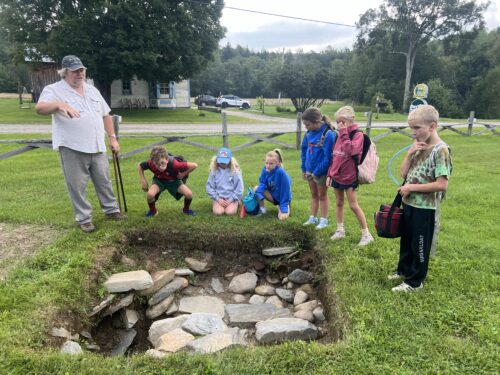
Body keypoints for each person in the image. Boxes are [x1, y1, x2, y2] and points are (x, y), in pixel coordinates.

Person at [35, 55, 125, 233]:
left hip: (97, 144)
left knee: (104, 180)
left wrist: (112, 138)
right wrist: (59, 105)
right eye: (75, 71)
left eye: (81, 70)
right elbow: (40, 108)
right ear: (65, 72)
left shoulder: (92, 90)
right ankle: (84, 218)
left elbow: (105, 115)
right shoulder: (53, 90)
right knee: (77, 185)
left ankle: (111, 210)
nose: (79, 73)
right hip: (72, 146)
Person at [389, 105, 452, 292]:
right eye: (411, 128)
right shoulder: (418, 145)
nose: (413, 133)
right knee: (407, 240)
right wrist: (409, 153)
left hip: (425, 208)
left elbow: (442, 184)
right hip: (409, 203)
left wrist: (411, 187)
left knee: (419, 243)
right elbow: (403, 172)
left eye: (417, 128)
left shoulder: (441, 151)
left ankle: (415, 282)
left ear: (432, 126)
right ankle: (404, 269)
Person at [326, 106, 374, 246]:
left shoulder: (357, 135)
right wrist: (330, 174)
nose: (338, 125)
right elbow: (334, 156)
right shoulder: (339, 135)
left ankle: (366, 234)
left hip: (349, 176)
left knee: (353, 205)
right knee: (339, 202)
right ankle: (340, 230)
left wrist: (343, 133)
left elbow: (351, 150)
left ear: (348, 121)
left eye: (340, 122)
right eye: (337, 122)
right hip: (337, 175)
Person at [301, 107, 337, 230]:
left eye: (308, 124)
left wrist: (316, 172)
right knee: (313, 194)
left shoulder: (328, 134)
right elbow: (304, 150)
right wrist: (304, 168)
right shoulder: (308, 134)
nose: (306, 127)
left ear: (316, 121)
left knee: (322, 195)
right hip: (309, 170)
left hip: (321, 172)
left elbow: (328, 158)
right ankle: (313, 217)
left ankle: (324, 220)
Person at [138, 146, 198, 217]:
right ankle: (153, 211)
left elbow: (194, 165)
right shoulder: (151, 163)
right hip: (159, 181)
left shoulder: (175, 164)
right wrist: (143, 180)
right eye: (156, 164)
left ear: (166, 159)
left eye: (162, 162)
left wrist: (183, 174)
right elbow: (140, 166)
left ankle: (186, 210)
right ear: (153, 161)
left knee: (189, 194)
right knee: (150, 194)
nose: (160, 166)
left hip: (174, 181)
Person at [254, 149, 292, 220]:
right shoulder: (265, 170)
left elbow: (286, 190)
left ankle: (286, 207)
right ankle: (262, 209)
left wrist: (283, 205)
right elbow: (262, 183)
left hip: (283, 198)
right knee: (256, 188)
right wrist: (259, 192)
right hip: (273, 197)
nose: (268, 166)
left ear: (277, 163)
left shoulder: (281, 173)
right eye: (266, 163)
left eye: (271, 164)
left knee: (281, 218)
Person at [206, 147, 244, 216]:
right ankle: (216, 203)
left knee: (230, 212)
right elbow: (209, 187)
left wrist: (231, 199)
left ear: (230, 160)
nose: (223, 164)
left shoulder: (235, 172)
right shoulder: (214, 171)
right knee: (218, 212)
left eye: (225, 162)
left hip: (232, 197)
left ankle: (237, 202)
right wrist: (218, 199)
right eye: (221, 161)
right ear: (217, 159)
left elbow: (239, 188)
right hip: (219, 197)